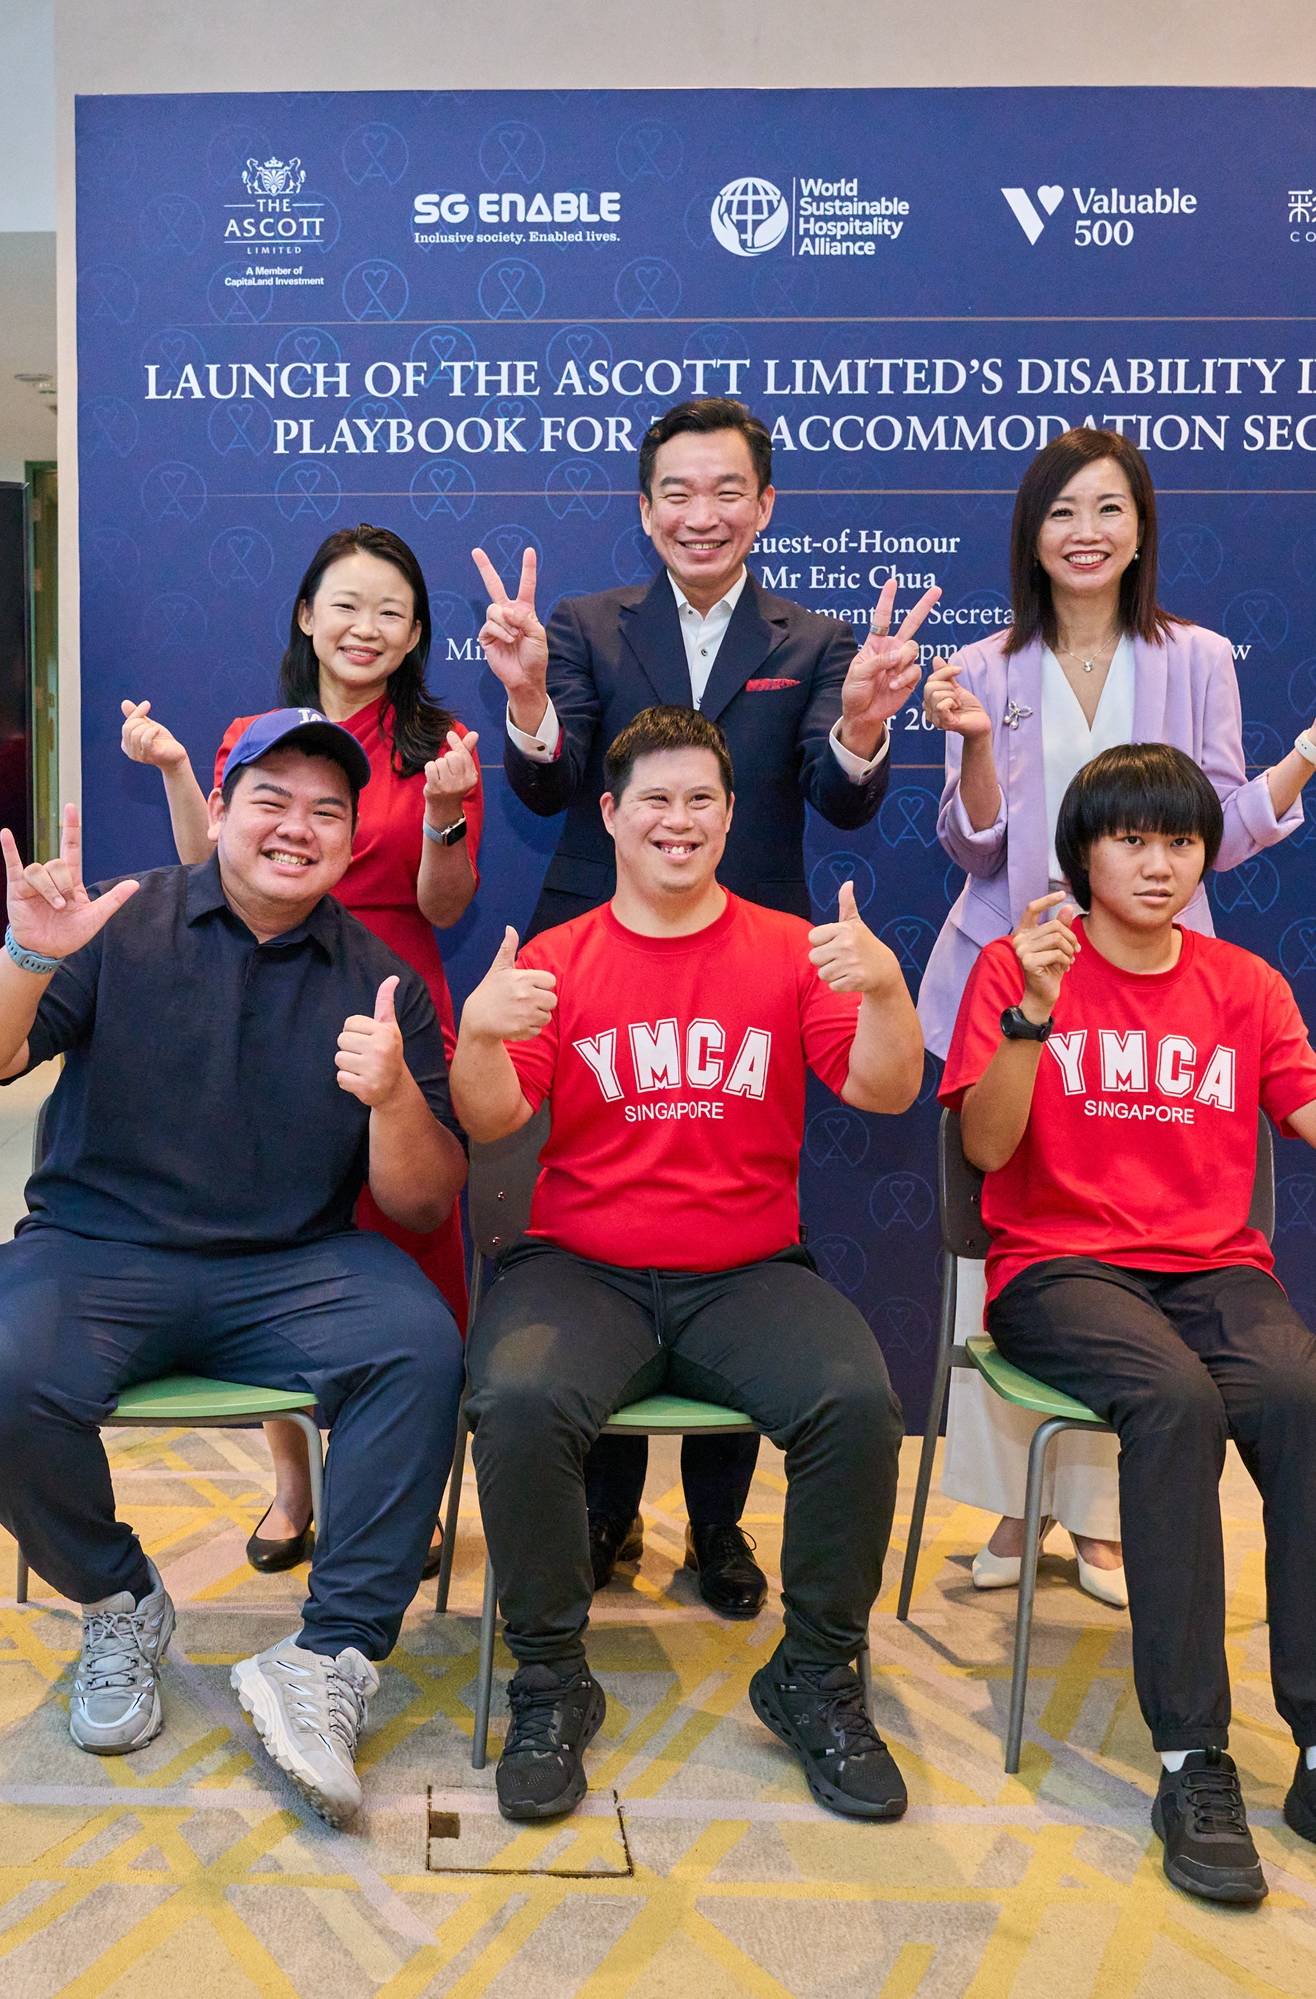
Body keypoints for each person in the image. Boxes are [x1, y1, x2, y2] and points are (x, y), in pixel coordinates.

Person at [0, 715, 468, 1827]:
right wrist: (32, 954)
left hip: (291, 1265)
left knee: (418, 1345)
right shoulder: (121, 927)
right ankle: (120, 1598)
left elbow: (421, 1201)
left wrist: (397, 1096)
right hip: (100, 1251)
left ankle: (329, 1658)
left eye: (328, 811)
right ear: (218, 810)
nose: (298, 828)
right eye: (272, 798)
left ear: (351, 839)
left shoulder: (382, 981)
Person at [916, 427, 1316, 1607]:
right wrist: (975, 748)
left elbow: (1215, 824)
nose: (1087, 530)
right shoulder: (980, 662)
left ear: (1141, 528)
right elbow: (975, 843)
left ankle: (1115, 1526)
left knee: (1151, 1260)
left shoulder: (1198, 657)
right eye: (1063, 510)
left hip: (1157, 990)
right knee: (1026, 1251)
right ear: (1030, 533)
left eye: (1110, 508)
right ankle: (1022, 1509)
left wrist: (1313, 747)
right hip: (1012, 973)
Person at [473, 395, 933, 1618]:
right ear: (644, 507)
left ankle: (722, 1531)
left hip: (758, 969)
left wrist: (864, 729)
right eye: (677, 491)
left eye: (728, 490)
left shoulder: (819, 636)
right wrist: (524, 700)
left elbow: (838, 796)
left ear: (766, 505)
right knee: (605, 1228)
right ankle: (608, 1512)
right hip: (604, 944)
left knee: (736, 1240)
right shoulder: (582, 624)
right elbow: (551, 771)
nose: (702, 513)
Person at [940, 742, 1316, 1907]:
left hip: (1214, 1273)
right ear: (1084, 854)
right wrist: (1033, 1018)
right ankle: (1190, 1755)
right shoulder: (1020, 965)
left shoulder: (1244, 985)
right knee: (1173, 1403)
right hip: (1059, 1270)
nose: (1160, 865)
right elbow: (986, 1151)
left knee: (1310, 1402)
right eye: (1133, 840)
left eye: (1181, 842)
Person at [449, 705, 923, 1824]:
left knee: (857, 1404)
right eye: (653, 799)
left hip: (746, 1268)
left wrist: (890, 990)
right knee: (514, 1400)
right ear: (610, 816)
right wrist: (477, 1035)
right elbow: (495, 1116)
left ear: (729, 814)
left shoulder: (788, 950)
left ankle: (812, 1675)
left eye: (699, 799)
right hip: (583, 1264)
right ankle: (552, 1681)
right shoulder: (558, 962)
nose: (678, 820)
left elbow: (886, 1089)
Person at [120, 524, 481, 1576]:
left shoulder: (441, 743)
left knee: (404, 1241)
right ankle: (293, 1481)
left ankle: (395, 1497)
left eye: (392, 612)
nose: (365, 628)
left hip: (389, 999)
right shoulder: (260, 729)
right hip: (268, 999)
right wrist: (187, 769)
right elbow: (208, 863)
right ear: (305, 614)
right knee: (276, 1234)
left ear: (415, 634)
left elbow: (443, 903)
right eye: (347, 604)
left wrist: (449, 812)